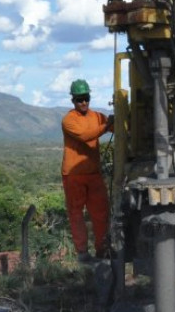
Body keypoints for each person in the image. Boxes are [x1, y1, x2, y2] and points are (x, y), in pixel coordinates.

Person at [61, 79, 113, 263]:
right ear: (73, 100)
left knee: (101, 213)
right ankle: (82, 253)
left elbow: (114, 127)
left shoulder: (97, 116)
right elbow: (85, 136)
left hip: (93, 173)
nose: (83, 102)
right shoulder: (69, 120)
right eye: (79, 99)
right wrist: (107, 126)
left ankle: (102, 251)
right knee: (76, 213)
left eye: (86, 98)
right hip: (74, 175)